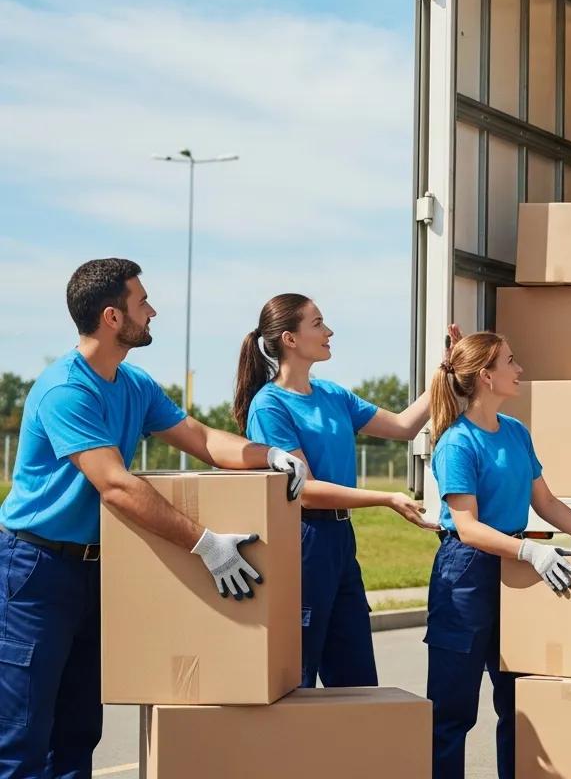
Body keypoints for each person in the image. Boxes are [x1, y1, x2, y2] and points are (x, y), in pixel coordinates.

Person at [0, 258, 307, 779]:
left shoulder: (132, 383)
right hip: (36, 570)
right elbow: (116, 485)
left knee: (77, 731)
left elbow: (201, 438)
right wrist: (206, 544)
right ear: (112, 317)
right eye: (142, 302)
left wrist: (270, 455)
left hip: (95, 570)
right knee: (22, 735)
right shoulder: (65, 390)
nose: (153, 311)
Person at [426, 330, 571, 779]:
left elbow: (545, 502)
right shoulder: (457, 443)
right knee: (453, 710)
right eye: (510, 361)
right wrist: (530, 550)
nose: (520, 369)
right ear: (486, 377)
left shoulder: (515, 432)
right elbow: (467, 527)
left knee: (519, 699)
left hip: (517, 567)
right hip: (468, 571)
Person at [235, 293, 446, 690]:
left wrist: (445, 374)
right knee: (296, 677)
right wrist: (386, 498)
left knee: (356, 677)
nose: (329, 331)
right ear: (289, 339)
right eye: (317, 323)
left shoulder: (333, 395)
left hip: (339, 539)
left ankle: (353, 734)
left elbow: (404, 427)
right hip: (303, 541)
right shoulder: (269, 406)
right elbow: (306, 491)